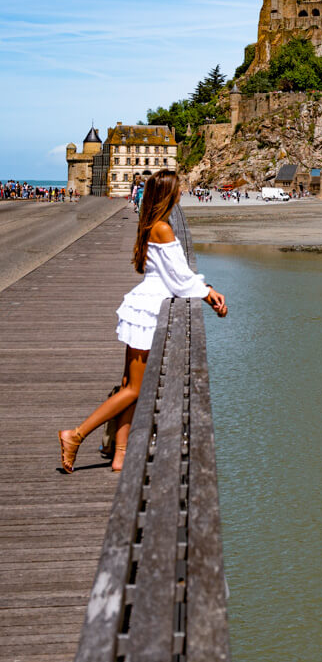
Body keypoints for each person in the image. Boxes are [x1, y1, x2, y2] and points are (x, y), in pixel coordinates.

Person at [58, 170, 227, 475]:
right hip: (148, 310)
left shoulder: (151, 224)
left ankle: (120, 454)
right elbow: (180, 277)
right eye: (177, 191)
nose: (180, 195)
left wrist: (203, 289)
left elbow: (174, 275)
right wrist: (208, 292)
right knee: (134, 389)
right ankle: (76, 435)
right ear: (168, 195)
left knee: (128, 385)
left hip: (141, 306)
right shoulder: (162, 228)